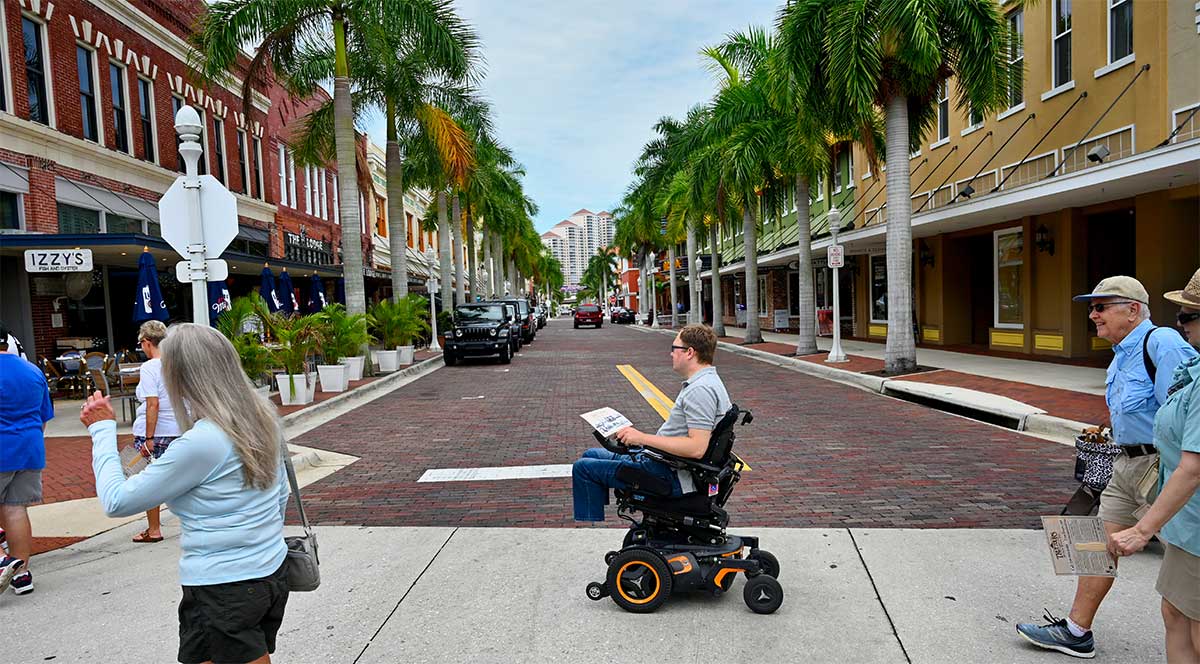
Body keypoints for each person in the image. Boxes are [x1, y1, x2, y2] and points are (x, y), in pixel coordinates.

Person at [82, 323, 291, 664]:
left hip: (224, 585)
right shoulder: (260, 418)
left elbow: (116, 500)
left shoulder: (203, 441)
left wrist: (102, 431)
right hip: (268, 570)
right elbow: (280, 494)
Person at [1017, 275, 1199, 658]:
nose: (1092, 314)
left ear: (1133, 310)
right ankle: (1076, 629)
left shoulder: (1161, 343)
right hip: (1126, 461)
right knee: (1097, 543)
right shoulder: (1121, 352)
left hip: (1160, 465)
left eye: (1101, 306)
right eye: (1091, 307)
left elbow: (1183, 415)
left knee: (1185, 555)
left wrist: (1172, 468)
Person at [1109, 268, 1200, 662]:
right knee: (1176, 612)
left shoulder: (1162, 344)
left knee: (1192, 622)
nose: (1180, 325)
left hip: (1193, 521)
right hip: (1185, 523)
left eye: (1187, 316)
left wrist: (1143, 530)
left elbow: (1193, 466)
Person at [572, 324, 731, 521]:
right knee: (591, 454)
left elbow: (697, 447)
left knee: (583, 468)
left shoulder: (700, 390)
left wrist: (642, 438)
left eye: (675, 349)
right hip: (664, 461)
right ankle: (594, 517)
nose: (671, 354)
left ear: (689, 352)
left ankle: (589, 529)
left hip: (670, 474)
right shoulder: (707, 382)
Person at [0, 328, 54, 597]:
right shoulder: (32, 370)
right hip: (30, 449)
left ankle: (2, 561)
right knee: (15, 509)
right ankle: (20, 573)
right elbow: (44, 415)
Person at [129, 321, 181, 543]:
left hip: (155, 432)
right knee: (180, 477)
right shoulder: (177, 364)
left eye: (141, 343)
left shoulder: (150, 367)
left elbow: (153, 404)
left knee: (148, 479)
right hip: (177, 428)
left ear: (147, 342)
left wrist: (148, 437)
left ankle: (154, 528)